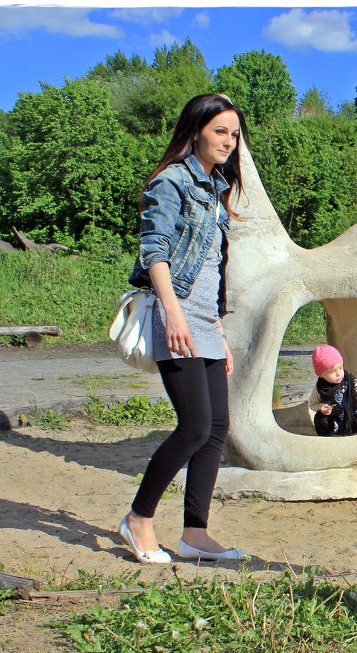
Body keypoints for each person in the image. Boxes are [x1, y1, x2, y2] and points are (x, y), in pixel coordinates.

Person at [117, 94, 249, 564]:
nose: (229, 142)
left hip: (204, 320)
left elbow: (212, 264)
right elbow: (154, 250)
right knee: (193, 426)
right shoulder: (170, 181)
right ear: (195, 130)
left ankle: (195, 533)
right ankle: (139, 518)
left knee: (216, 427)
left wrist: (217, 327)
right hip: (175, 313)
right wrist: (173, 313)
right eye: (220, 131)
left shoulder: (215, 188)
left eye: (234, 134)